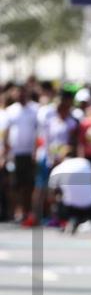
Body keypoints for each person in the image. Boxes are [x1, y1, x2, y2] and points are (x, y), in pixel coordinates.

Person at [3, 85, 38, 223]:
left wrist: (36, 150)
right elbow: (6, 132)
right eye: (18, 92)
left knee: (28, 184)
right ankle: (16, 212)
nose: (20, 95)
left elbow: (38, 131)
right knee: (15, 184)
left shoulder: (35, 109)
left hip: (30, 153)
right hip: (15, 154)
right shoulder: (10, 110)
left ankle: (27, 211)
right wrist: (5, 152)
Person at [48, 147, 91, 234]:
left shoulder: (58, 168)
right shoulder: (85, 162)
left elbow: (51, 192)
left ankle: (66, 221)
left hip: (70, 208)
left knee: (58, 196)